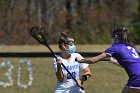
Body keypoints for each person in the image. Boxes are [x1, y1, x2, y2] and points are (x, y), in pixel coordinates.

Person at [76, 26, 140, 93]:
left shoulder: (115, 48)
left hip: (136, 79)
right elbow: (126, 64)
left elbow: (93, 60)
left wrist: (80, 60)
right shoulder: (132, 47)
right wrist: (112, 60)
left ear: (116, 36)